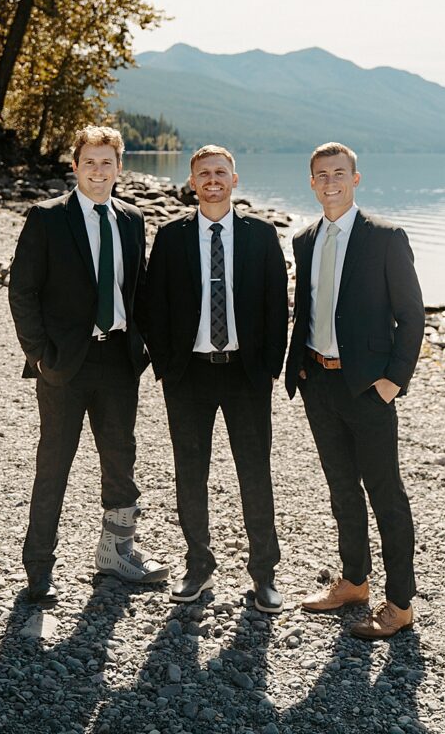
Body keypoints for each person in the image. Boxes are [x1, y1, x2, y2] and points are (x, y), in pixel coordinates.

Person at [8, 125, 168, 604]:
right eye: (90, 162)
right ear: (74, 166)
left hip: (118, 360)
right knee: (54, 462)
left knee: (121, 460)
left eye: (108, 163)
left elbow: (138, 290)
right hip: (63, 365)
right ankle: (38, 567)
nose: (99, 172)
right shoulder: (46, 218)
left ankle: (117, 553)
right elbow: (22, 291)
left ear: (120, 168)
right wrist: (38, 354)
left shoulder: (133, 219)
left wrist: (144, 350)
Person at [285, 142, 425, 639]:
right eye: (321, 175)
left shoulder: (386, 237)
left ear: (355, 179)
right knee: (342, 490)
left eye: (339, 173)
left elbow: (411, 317)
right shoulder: (304, 239)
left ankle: (401, 603)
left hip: (368, 388)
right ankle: (354, 581)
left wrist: (392, 382)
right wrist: (300, 368)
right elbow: (306, 309)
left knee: (386, 496)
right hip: (318, 382)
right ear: (312, 182)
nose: (330, 182)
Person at [145, 145, 288, 612]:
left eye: (220, 172)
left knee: (255, 474)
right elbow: (155, 304)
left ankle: (264, 574)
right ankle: (198, 565)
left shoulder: (261, 235)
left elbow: (275, 305)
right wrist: (166, 367)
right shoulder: (170, 236)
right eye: (203, 173)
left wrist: (269, 367)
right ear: (192, 182)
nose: (212, 179)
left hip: (246, 375)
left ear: (234, 179)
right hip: (188, 375)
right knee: (191, 474)